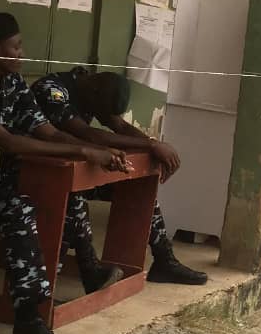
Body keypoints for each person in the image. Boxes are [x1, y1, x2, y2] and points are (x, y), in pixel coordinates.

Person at [0, 14, 126, 334]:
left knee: (58, 192)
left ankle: (41, 306)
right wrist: (83, 150)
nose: (22, 53)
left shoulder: (12, 84)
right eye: (16, 46)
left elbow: (48, 132)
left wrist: (97, 152)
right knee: (18, 207)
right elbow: (7, 142)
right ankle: (29, 318)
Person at [31, 66, 207, 285]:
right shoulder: (52, 90)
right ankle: (88, 269)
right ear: (94, 91)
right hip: (34, 173)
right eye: (102, 110)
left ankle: (164, 260)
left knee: (136, 185)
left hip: (71, 171)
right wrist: (151, 145)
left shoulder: (92, 91)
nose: (104, 116)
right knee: (73, 195)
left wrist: (154, 146)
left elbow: (120, 126)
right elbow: (87, 133)